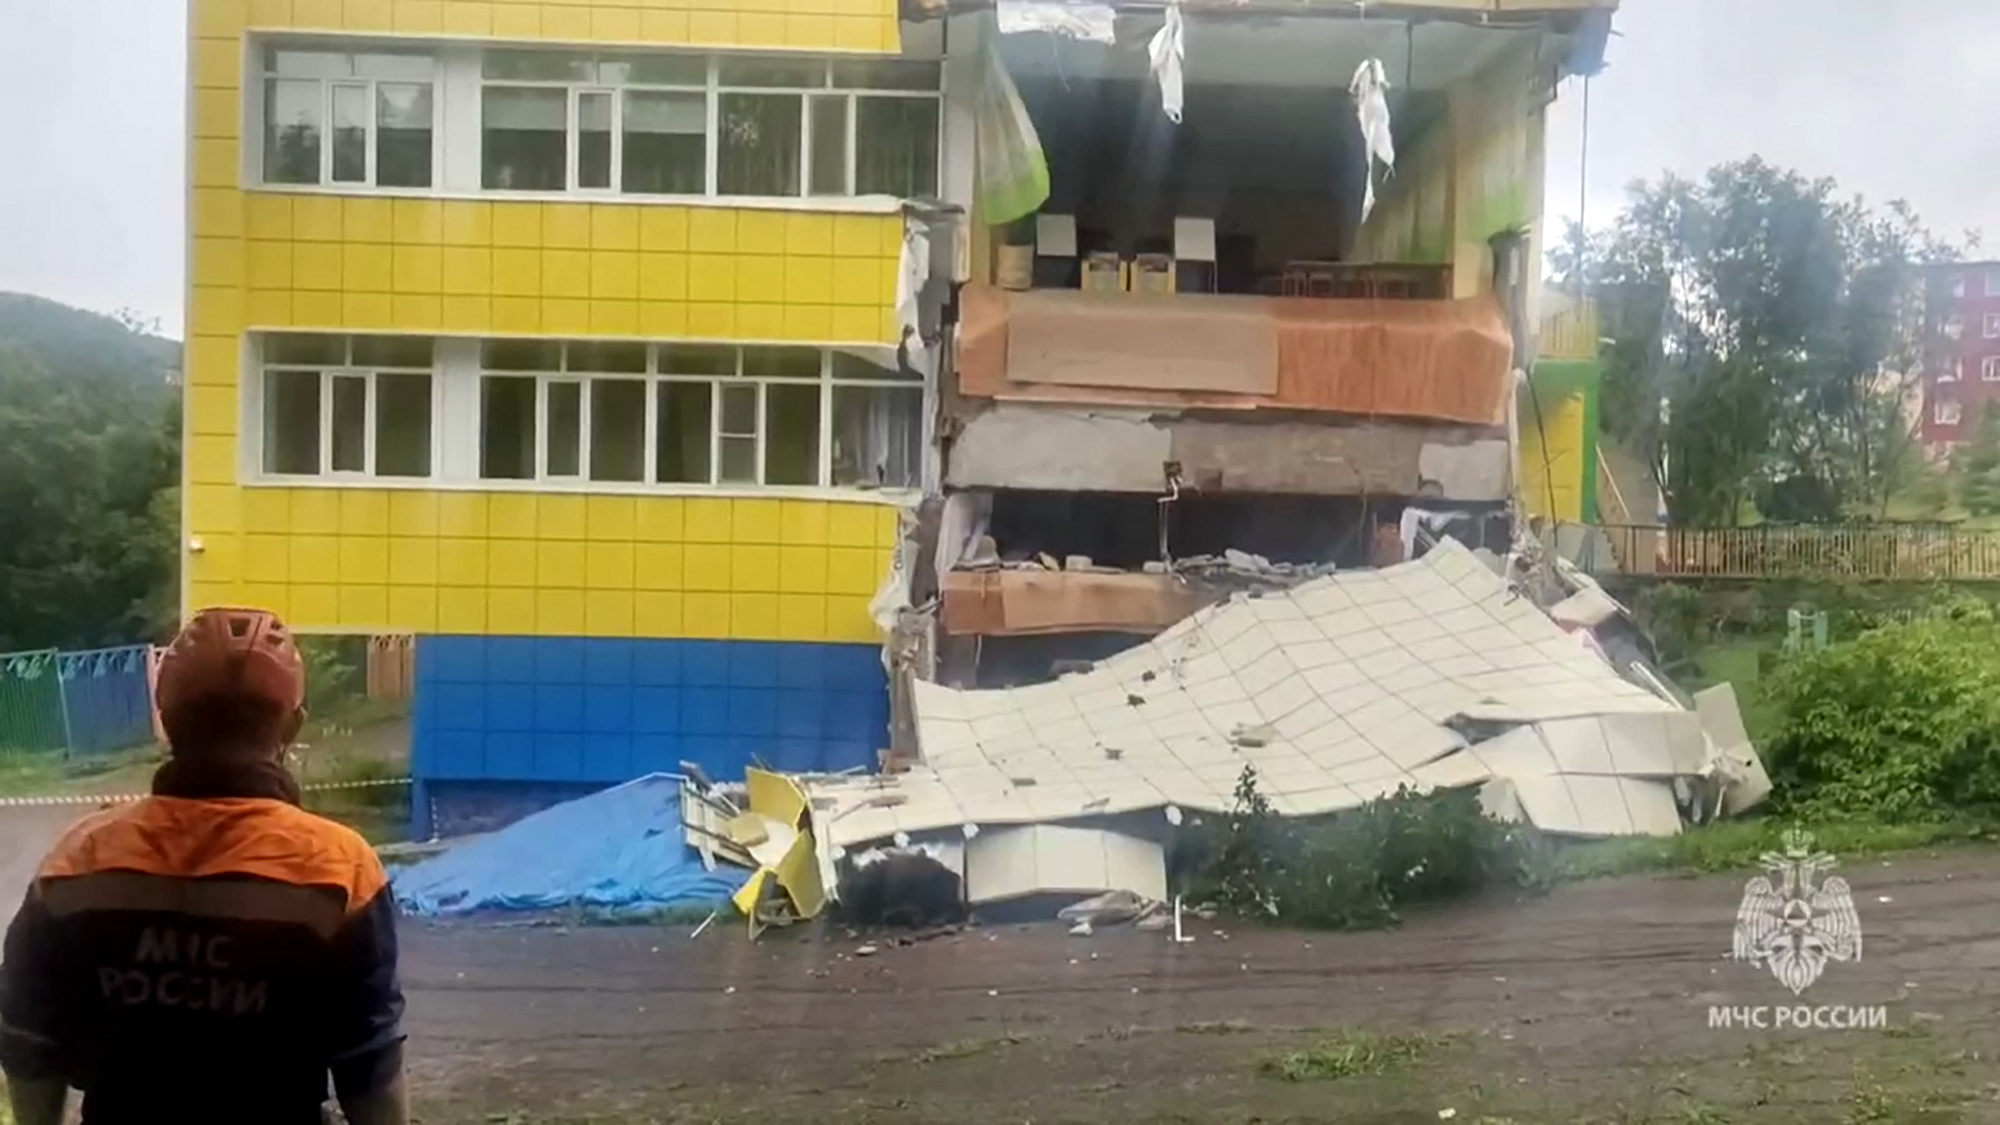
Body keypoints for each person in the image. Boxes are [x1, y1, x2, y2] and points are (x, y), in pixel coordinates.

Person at [0, 608, 408, 1125]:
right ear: (293, 724)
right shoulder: (340, 869)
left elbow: (29, 1040)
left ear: (164, 715)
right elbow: (370, 1069)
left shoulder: (80, 858)